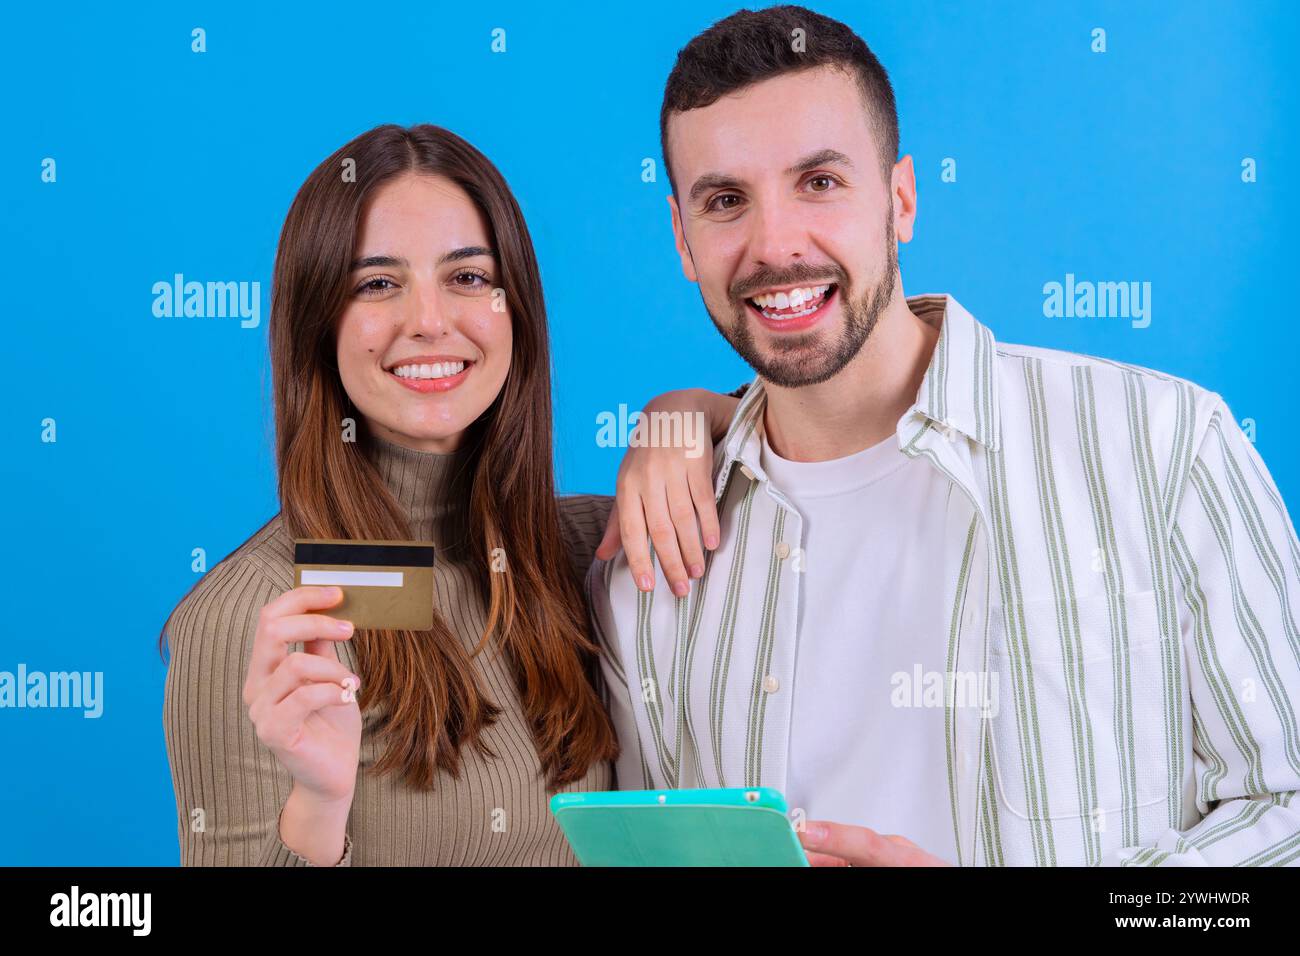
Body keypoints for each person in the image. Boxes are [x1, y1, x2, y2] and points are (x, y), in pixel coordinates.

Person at [590, 5, 1300, 866]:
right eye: (727, 200)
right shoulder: (647, 564)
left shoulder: (1163, 446)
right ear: (682, 239)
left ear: (901, 199)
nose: (775, 245)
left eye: (819, 182)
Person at [160, 123, 736, 866]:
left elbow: (829, 438)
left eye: (467, 277)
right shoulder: (260, 614)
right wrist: (320, 811)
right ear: (318, 326)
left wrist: (689, 411)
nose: (429, 322)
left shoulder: (586, 547)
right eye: (377, 284)